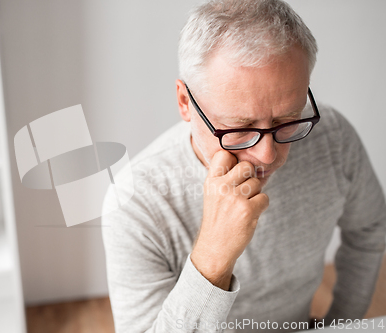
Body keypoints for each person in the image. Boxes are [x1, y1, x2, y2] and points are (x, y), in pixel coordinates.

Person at [101, 1, 386, 332]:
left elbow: (369, 229)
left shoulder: (333, 138)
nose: (268, 155)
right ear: (184, 102)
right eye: (239, 129)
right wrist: (213, 255)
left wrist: (338, 323)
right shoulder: (134, 202)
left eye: (287, 120)